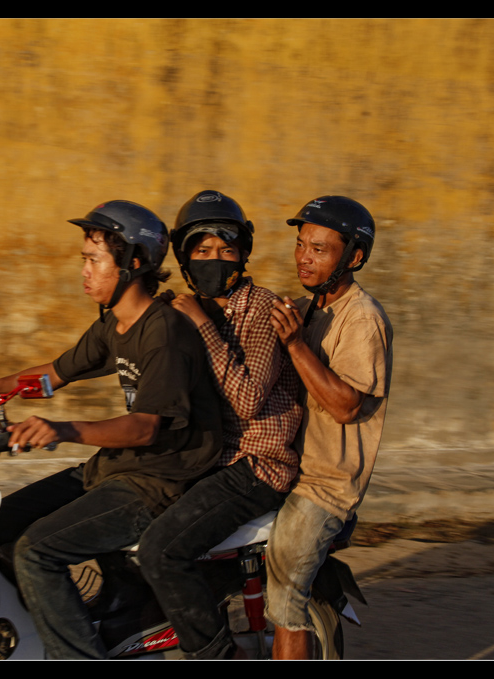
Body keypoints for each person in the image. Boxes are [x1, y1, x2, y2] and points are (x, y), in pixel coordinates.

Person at [0, 199, 224, 659]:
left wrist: (61, 429)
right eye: (84, 259)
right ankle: (53, 629)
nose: (85, 271)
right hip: (120, 466)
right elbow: (53, 374)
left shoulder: (165, 333)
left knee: (36, 551)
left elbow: (144, 429)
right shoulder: (115, 323)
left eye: (95, 260)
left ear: (134, 263)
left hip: (161, 479)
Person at [135, 190, 302, 660]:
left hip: (257, 464)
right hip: (208, 456)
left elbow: (248, 401)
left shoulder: (262, 311)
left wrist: (198, 324)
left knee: (161, 552)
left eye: (225, 250)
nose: (214, 260)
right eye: (202, 251)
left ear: (243, 254)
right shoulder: (188, 309)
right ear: (185, 259)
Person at [267, 195, 393, 658]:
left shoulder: (363, 319)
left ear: (354, 257)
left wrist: (296, 344)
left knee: (285, 595)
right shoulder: (305, 307)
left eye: (319, 249)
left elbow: (344, 405)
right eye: (301, 245)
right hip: (287, 465)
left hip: (325, 486)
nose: (304, 256)